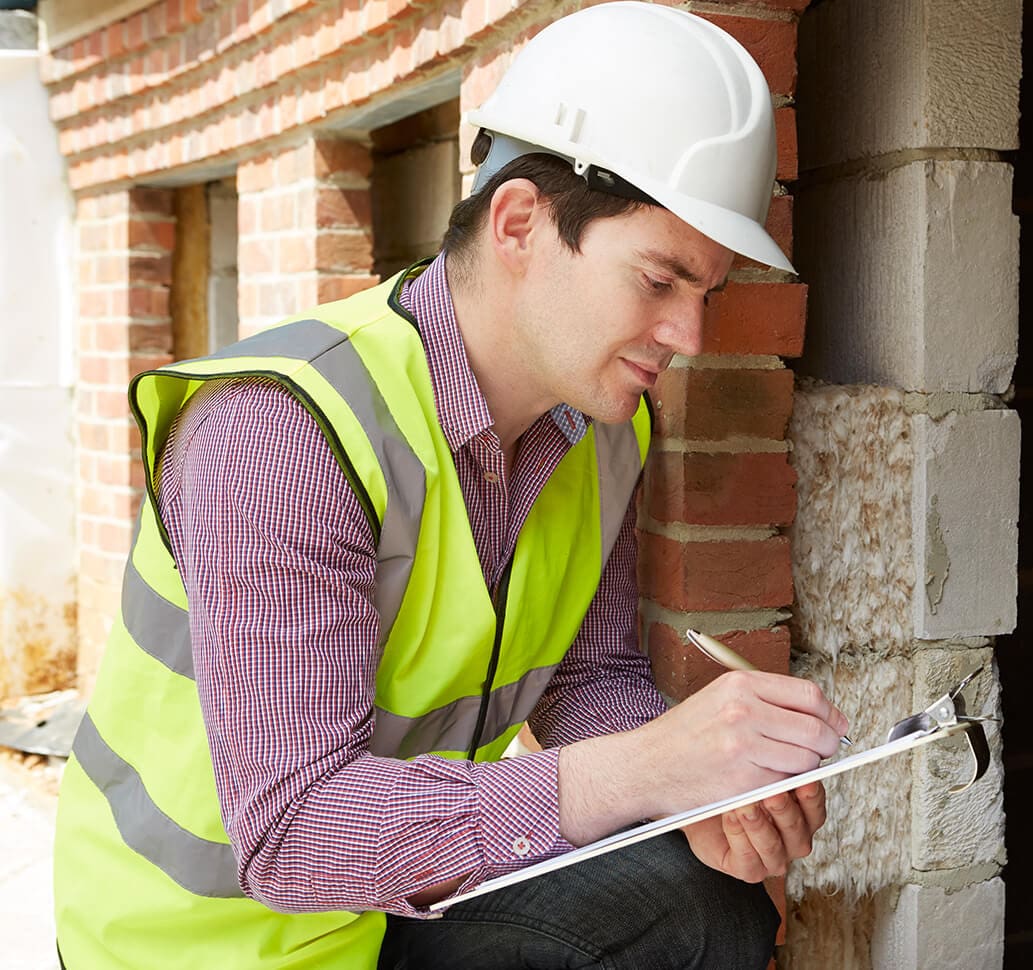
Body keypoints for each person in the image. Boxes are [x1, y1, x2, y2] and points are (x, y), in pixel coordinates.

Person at [51, 4, 849, 968]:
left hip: (392, 908)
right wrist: (640, 770)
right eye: (658, 280)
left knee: (703, 902)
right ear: (519, 222)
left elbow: (586, 680)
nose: (690, 337)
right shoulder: (283, 436)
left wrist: (694, 789)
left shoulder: (601, 431)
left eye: (705, 293)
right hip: (196, 944)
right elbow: (295, 834)